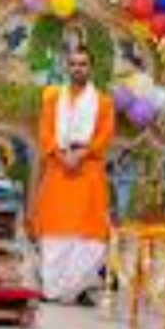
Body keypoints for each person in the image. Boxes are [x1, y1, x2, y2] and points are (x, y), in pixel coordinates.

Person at [31, 45, 115, 304]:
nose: (78, 68)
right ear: (67, 67)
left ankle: (77, 287)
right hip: (59, 168)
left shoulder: (103, 102)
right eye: (74, 64)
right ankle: (53, 286)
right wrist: (62, 156)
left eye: (83, 64)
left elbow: (105, 135)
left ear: (91, 68)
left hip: (88, 169)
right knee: (56, 228)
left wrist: (81, 155)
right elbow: (45, 132)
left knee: (90, 230)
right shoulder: (53, 99)